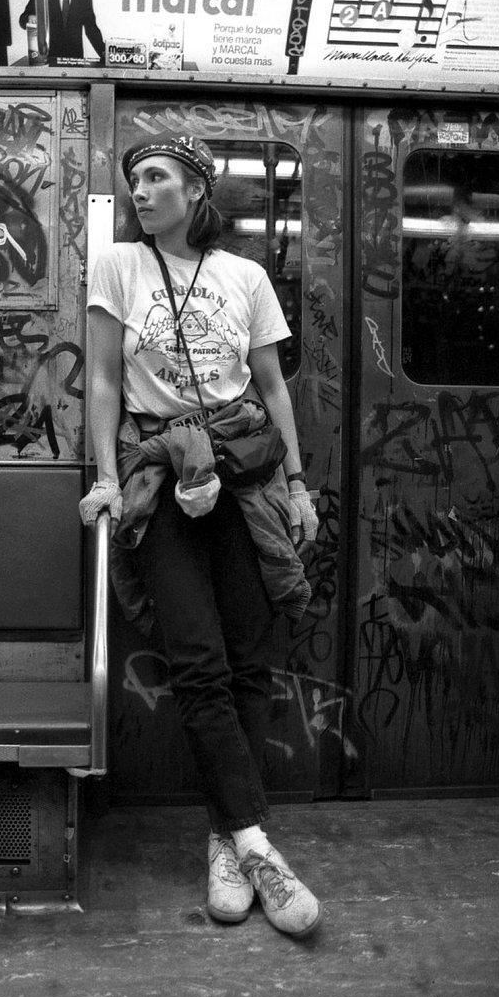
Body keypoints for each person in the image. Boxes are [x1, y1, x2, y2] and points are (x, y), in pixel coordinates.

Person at [79, 135, 323, 938]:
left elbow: (270, 384)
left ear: (195, 189)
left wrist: (294, 483)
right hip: (162, 472)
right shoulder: (118, 266)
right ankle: (258, 844)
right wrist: (109, 478)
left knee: (251, 662)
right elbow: (107, 379)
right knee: (199, 661)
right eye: (134, 181)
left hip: (243, 475)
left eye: (156, 179)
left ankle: (224, 835)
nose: (140, 192)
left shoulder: (243, 277)